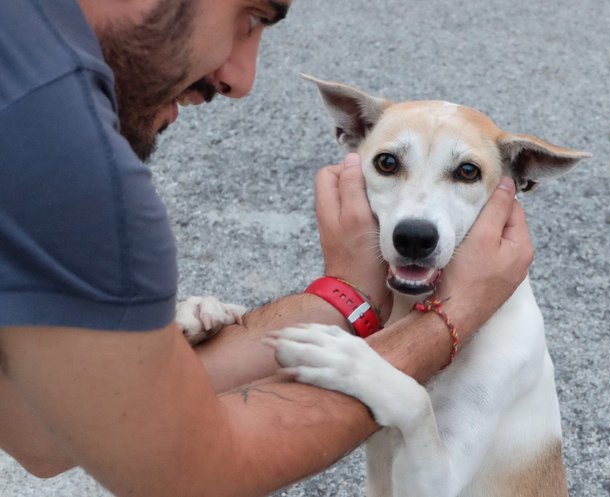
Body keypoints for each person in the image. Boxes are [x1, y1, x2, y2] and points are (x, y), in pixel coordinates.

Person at [0, 0, 533, 496]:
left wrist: (344, 295)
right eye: (250, 16)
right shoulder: (51, 143)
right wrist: (452, 317)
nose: (242, 80)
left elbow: (44, 429)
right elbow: (191, 472)